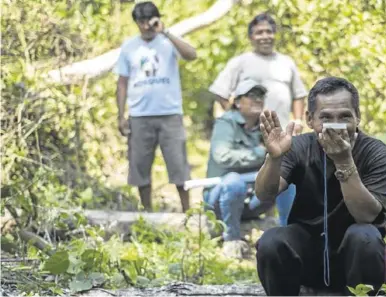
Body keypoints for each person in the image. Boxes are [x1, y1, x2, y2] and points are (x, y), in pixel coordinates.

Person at [254, 77, 386, 296]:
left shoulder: (378, 154)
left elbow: (366, 216)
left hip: (358, 259)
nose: (335, 125)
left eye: (345, 116)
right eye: (326, 117)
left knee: (364, 236)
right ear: (310, 119)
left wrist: (344, 161)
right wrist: (273, 159)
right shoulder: (299, 146)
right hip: (307, 252)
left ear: (358, 117)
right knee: (271, 241)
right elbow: (265, 194)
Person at [208, 12, 308, 224]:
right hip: (253, 133)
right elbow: (220, 91)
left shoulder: (286, 62)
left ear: (275, 35)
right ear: (251, 37)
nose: (265, 36)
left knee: (281, 177)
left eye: (269, 31)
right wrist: (239, 118)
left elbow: (299, 94)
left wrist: (297, 120)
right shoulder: (241, 62)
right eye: (259, 32)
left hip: (279, 133)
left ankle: (285, 225)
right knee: (247, 176)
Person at [114, 1, 197, 212]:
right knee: (140, 166)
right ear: (136, 23)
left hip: (170, 114)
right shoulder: (129, 47)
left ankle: (187, 212)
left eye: (148, 22)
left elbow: (191, 55)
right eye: (140, 22)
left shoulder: (168, 41)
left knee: (179, 166)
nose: (145, 27)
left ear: (156, 20)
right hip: (140, 115)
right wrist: (121, 115)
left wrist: (165, 32)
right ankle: (147, 212)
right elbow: (122, 82)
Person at [204, 78, 296, 259]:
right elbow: (222, 156)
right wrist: (261, 152)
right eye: (251, 95)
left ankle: (289, 233)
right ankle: (231, 239)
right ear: (237, 102)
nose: (258, 99)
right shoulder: (226, 122)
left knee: (287, 181)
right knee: (234, 182)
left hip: (251, 198)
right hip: (221, 196)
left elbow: (280, 160)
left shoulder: (265, 126)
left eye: (261, 96)